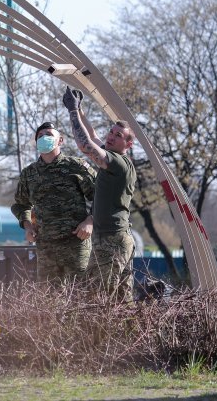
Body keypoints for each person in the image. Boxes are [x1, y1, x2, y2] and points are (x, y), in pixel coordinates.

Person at [62, 87, 137, 300]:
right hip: (117, 238)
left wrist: (73, 111)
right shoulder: (116, 159)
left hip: (111, 241)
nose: (111, 137)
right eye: (111, 132)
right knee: (121, 303)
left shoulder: (117, 163)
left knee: (97, 300)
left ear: (128, 144)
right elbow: (93, 137)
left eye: (118, 135)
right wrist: (80, 109)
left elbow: (85, 145)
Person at [11, 121, 97, 283]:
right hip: (46, 248)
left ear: (60, 140)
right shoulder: (29, 173)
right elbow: (21, 205)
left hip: (76, 244)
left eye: (49, 135)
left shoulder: (76, 167)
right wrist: (28, 226)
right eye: (40, 136)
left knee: (80, 296)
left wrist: (90, 221)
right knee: (48, 300)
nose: (44, 138)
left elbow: (101, 197)